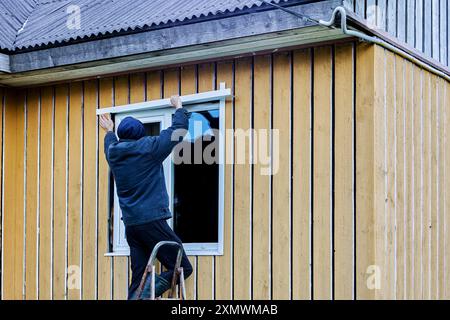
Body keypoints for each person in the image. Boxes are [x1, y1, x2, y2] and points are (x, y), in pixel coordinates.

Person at [98, 95, 193, 299]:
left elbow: (110, 144)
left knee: (139, 275)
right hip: (151, 221)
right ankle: (144, 295)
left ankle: (139, 295)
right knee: (183, 266)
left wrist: (108, 131)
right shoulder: (149, 148)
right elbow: (177, 132)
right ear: (141, 134)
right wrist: (179, 107)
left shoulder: (114, 153)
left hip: (131, 226)